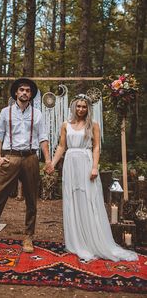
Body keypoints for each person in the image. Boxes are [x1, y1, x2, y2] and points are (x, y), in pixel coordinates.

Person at [46, 94, 138, 262]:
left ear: (88, 108)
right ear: (74, 107)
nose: (81, 109)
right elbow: (61, 146)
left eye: (84, 106)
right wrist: (52, 163)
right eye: (78, 106)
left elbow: (96, 147)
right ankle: (77, 240)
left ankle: (93, 239)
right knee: (73, 198)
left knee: (89, 199)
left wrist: (95, 166)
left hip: (86, 162)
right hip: (70, 164)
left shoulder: (93, 125)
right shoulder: (66, 125)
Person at [0, 78, 53, 253]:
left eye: (28, 90)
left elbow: (43, 138)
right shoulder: (5, 112)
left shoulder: (37, 114)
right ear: (16, 92)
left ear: (31, 94)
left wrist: (47, 161)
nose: (24, 92)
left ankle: (28, 237)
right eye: (21, 90)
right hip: (10, 157)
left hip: (31, 157)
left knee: (32, 200)